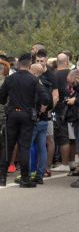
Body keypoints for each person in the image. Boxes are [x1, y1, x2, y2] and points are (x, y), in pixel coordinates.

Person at [0, 53, 49, 188]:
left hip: (12, 114)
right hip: (27, 115)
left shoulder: (10, 79)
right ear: (29, 64)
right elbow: (45, 98)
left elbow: (1, 96)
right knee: (25, 146)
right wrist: (40, 110)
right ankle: (25, 179)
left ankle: (2, 177)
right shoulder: (34, 80)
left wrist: (6, 104)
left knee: (8, 145)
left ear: (18, 64)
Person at [51, 52, 74, 172]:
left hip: (59, 109)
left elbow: (54, 95)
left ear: (56, 62)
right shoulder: (73, 74)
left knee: (62, 137)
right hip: (73, 108)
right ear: (68, 62)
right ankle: (71, 162)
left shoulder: (54, 75)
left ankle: (65, 164)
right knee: (73, 138)